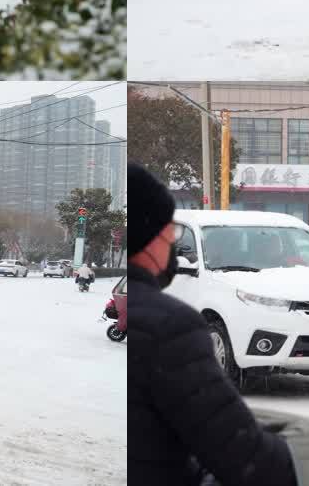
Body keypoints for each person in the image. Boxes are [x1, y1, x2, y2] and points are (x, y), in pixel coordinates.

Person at [127, 163, 298, 485]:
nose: (173, 242)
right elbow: (244, 458)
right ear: (153, 233)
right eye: (171, 231)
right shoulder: (169, 328)